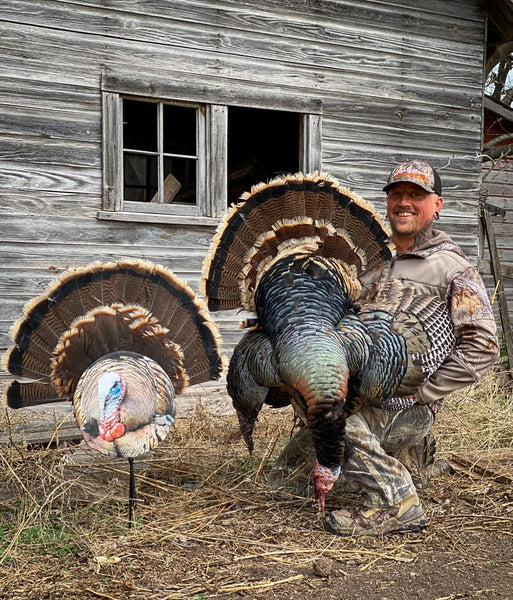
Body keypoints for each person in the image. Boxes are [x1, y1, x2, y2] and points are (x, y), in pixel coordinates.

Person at [270, 159, 500, 537]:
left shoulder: (452, 268)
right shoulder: (376, 266)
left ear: (436, 205)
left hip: (406, 407)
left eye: (416, 195)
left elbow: (483, 344)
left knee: (331, 422)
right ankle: (399, 465)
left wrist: (425, 393)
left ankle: (397, 500)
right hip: (364, 397)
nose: (404, 203)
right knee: (283, 482)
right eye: (396, 195)